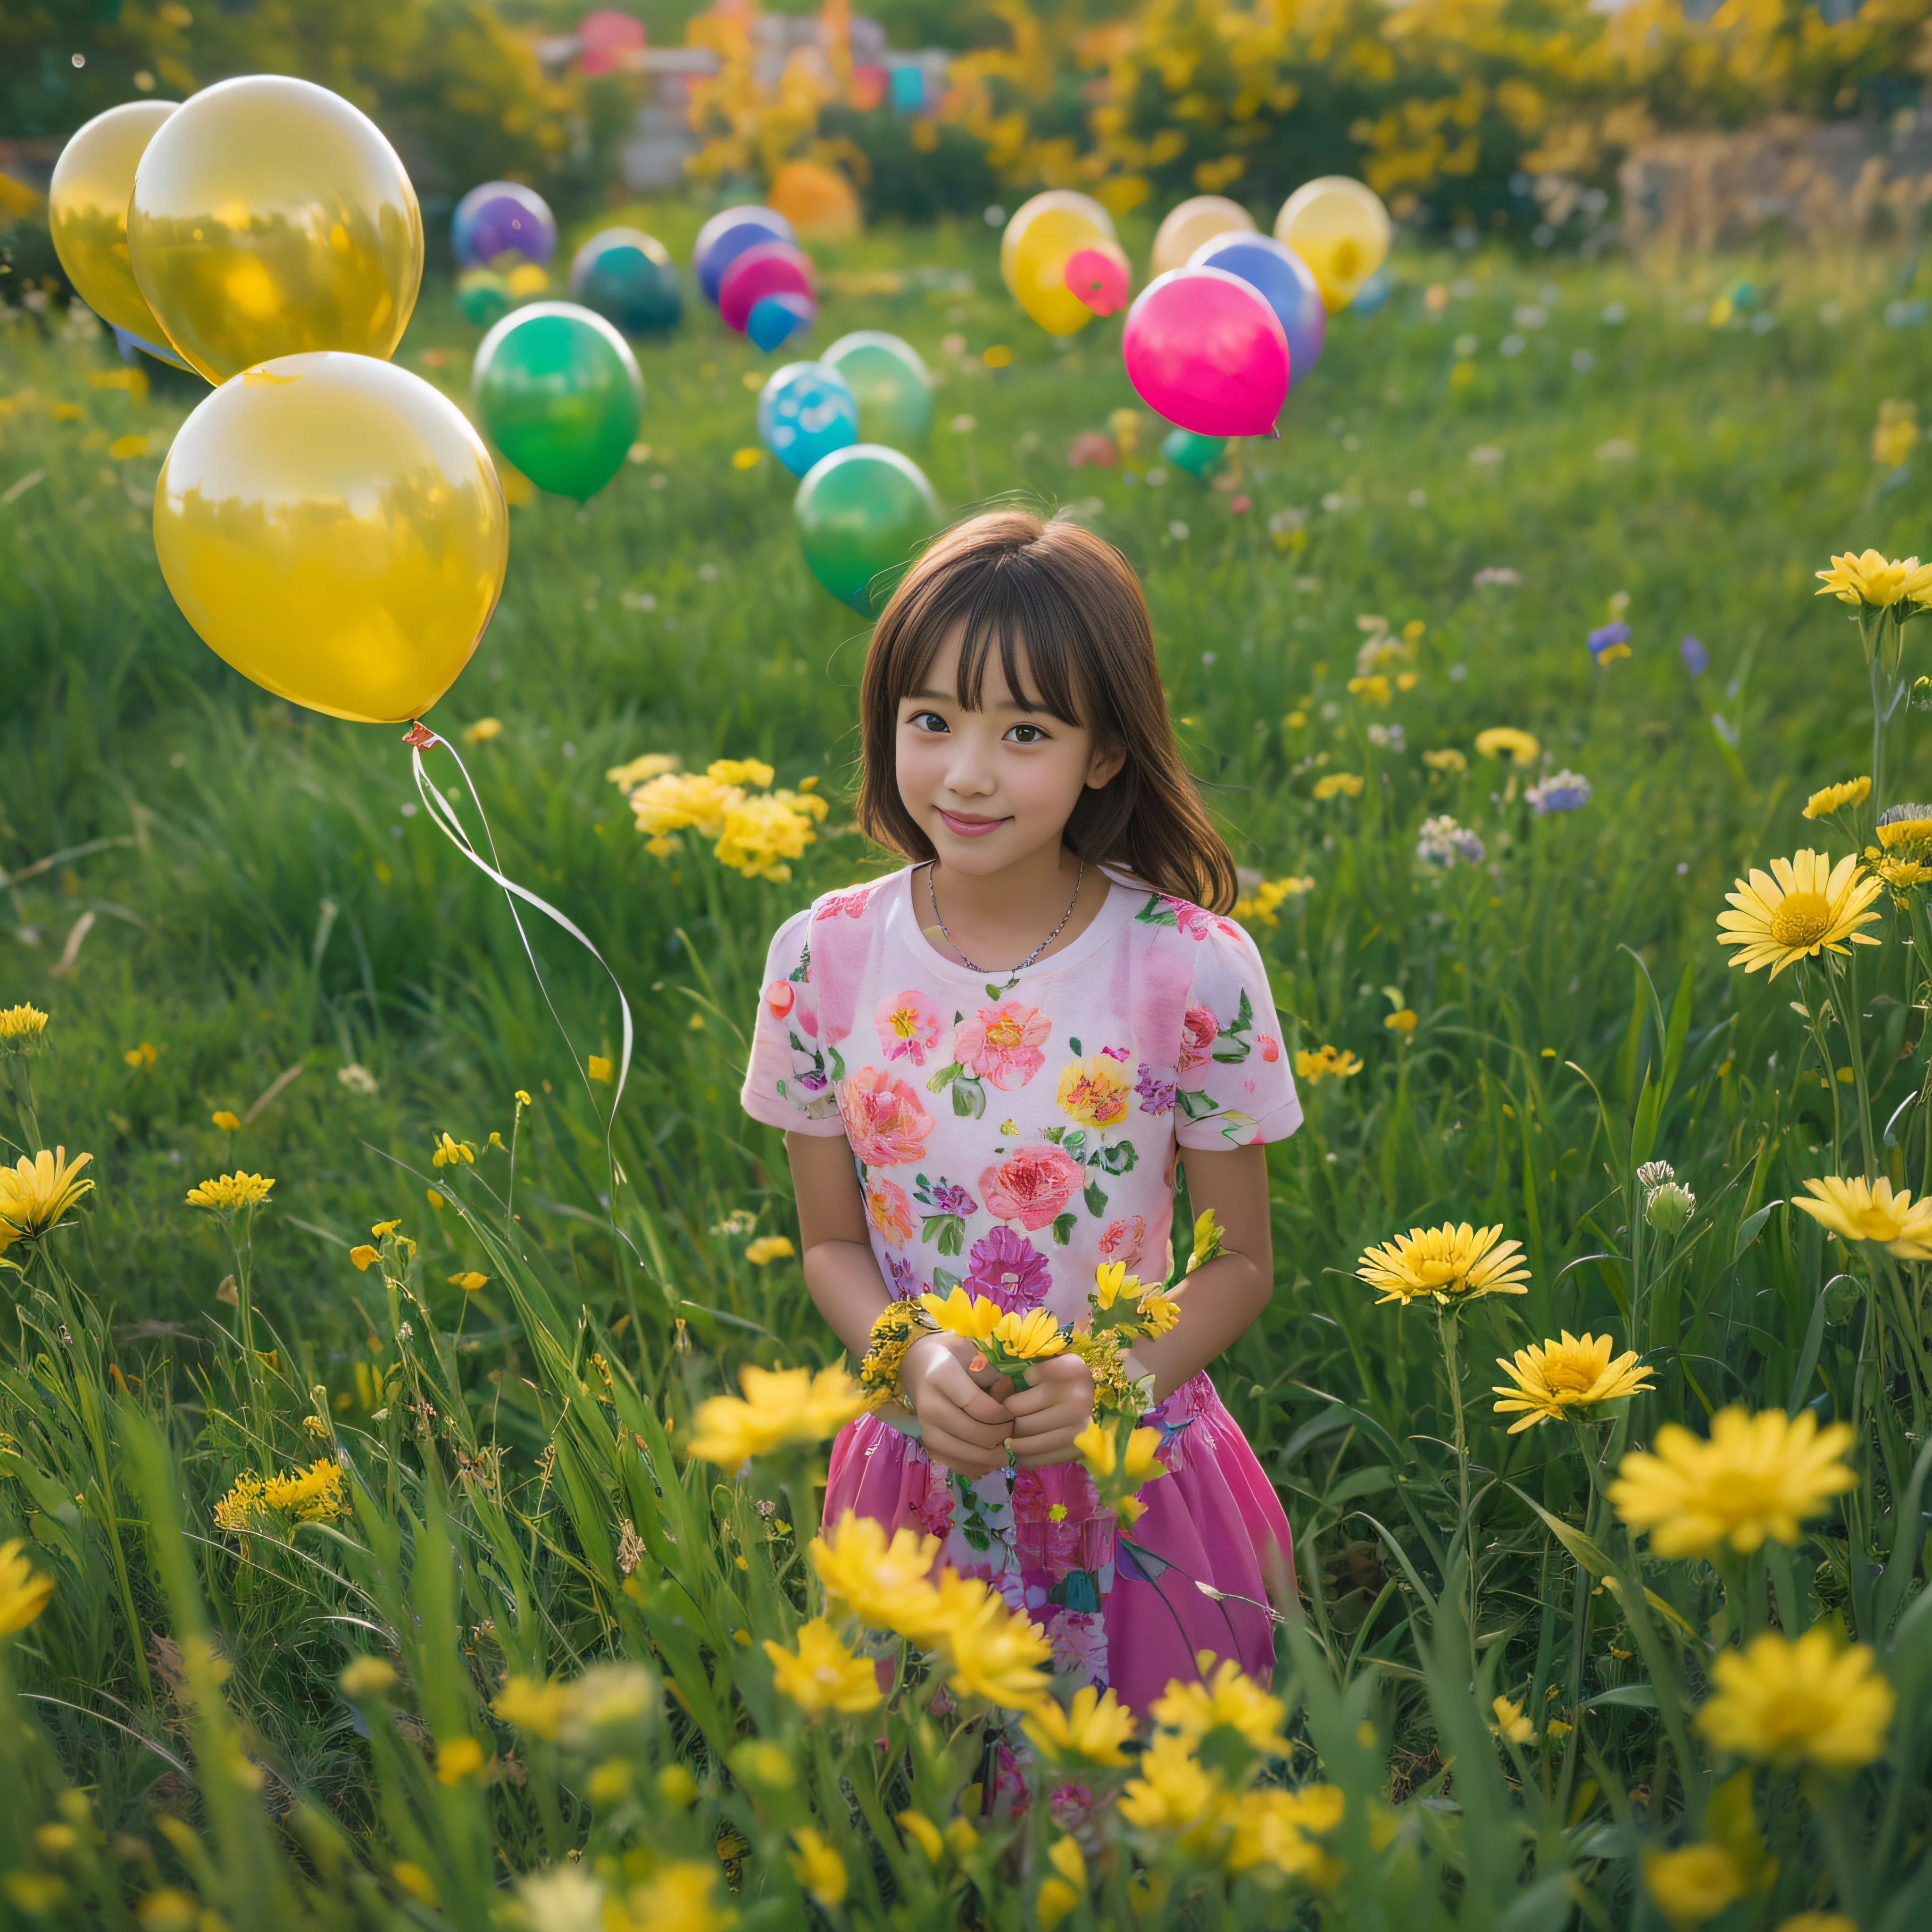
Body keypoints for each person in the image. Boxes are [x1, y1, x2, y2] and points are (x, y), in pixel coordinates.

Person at [740, 508, 1299, 1715]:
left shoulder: (1188, 966)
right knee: (924, 1825)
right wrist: (909, 1354)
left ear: (1104, 753)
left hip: (1127, 1464)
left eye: (1025, 731)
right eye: (930, 720)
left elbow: (1241, 1262)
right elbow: (832, 1243)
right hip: (917, 1466)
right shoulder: (823, 958)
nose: (967, 771)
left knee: (1151, 1836)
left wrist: (1117, 1376)